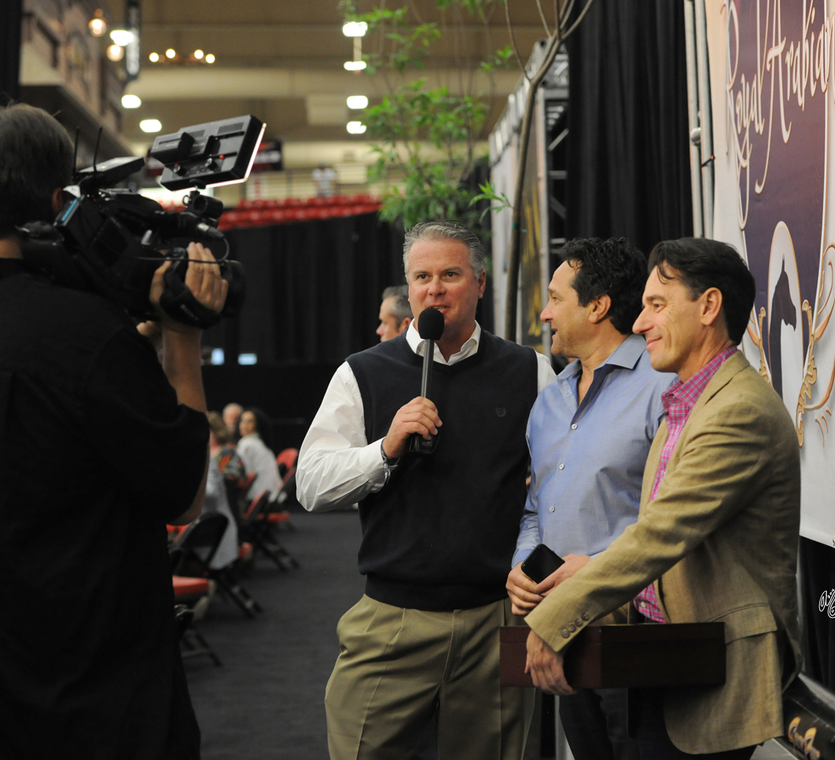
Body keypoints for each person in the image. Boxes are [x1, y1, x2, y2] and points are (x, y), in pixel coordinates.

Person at [0, 103, 226, 759]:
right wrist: (182, 341)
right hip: (90, 711)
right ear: (59, 200)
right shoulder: (84, 335)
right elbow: (183, 498)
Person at [523, 238, 801, 760]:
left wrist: (555, 614)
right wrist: (582, 579)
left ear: (709, 307)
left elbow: (659, 535)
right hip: (658, 656)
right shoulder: (685, 403)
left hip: (709, 668)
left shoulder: (737, 411)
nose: (641, 323)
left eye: (656, 307)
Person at [297, 220, 555, 760]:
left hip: (495, 619)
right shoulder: (363, 373)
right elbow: (311, 485)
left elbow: (555, 487)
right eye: (422, 277)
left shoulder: (529, 370)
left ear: (481, 283)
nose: (434, 289)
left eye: (450, 274)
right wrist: (385, 448)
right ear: (409, 287)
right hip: (392, 616)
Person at [507, 237, 674, 760]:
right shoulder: (549, 402)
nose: (545, 311)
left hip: (638, 631)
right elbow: (537, 510)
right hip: (560, 629)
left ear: (597, 306)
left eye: (556, 298)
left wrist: (594, 570)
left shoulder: (663, 387)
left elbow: (671, 519)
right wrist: (523, 568)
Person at [236, 407, 282, 501]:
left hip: (260, 498)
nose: (244, 425)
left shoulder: (247, 444)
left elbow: (243, 474)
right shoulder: (259, 442)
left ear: (257, 425)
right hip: (274, 497)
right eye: (242, 421)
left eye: (250, 421)